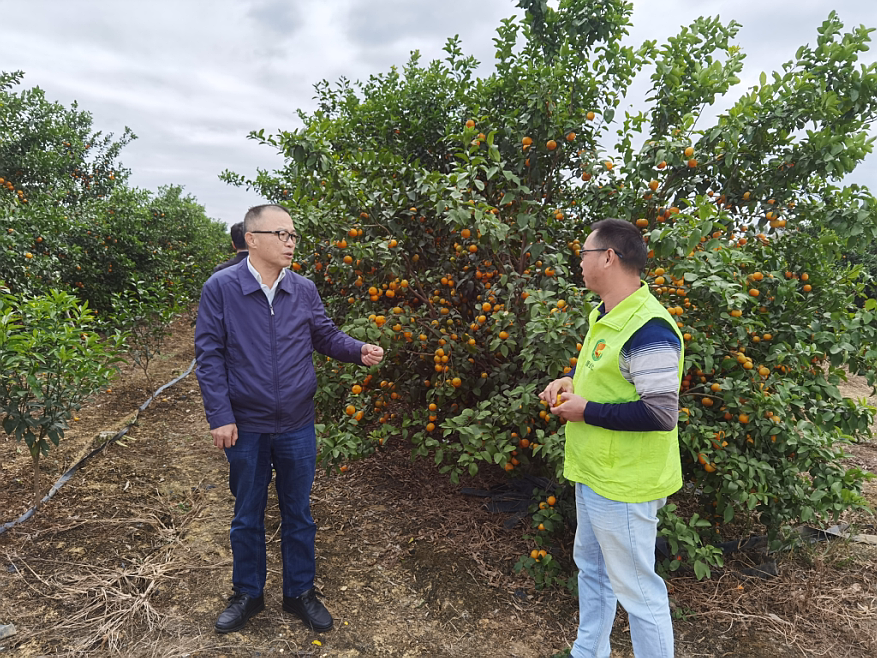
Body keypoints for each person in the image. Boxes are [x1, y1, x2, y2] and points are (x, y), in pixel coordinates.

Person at [195, 204, 384, 634]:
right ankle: (248, 593)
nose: (290, 242)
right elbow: (209, 356)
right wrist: (220, 416)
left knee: (298, 513)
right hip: (246, 425)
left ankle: (299, 592)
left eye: (293, 235)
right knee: (247, 514)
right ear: (251, 238)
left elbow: (325, 335)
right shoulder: (221, 288)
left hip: (297, 423)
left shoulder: (303, 289)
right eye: (281, 234)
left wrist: (358, 350)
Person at [539, 218, 683, 658]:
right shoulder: (607, 315)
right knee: (593, 571)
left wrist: (587, 410)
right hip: (595, 473)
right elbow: (612, 382)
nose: (579, 263)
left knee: (638, 592)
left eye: (584, 254)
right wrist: (572, 382)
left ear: (608, 257)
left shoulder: (649, 329)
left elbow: (660, 413)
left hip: (625, 483)